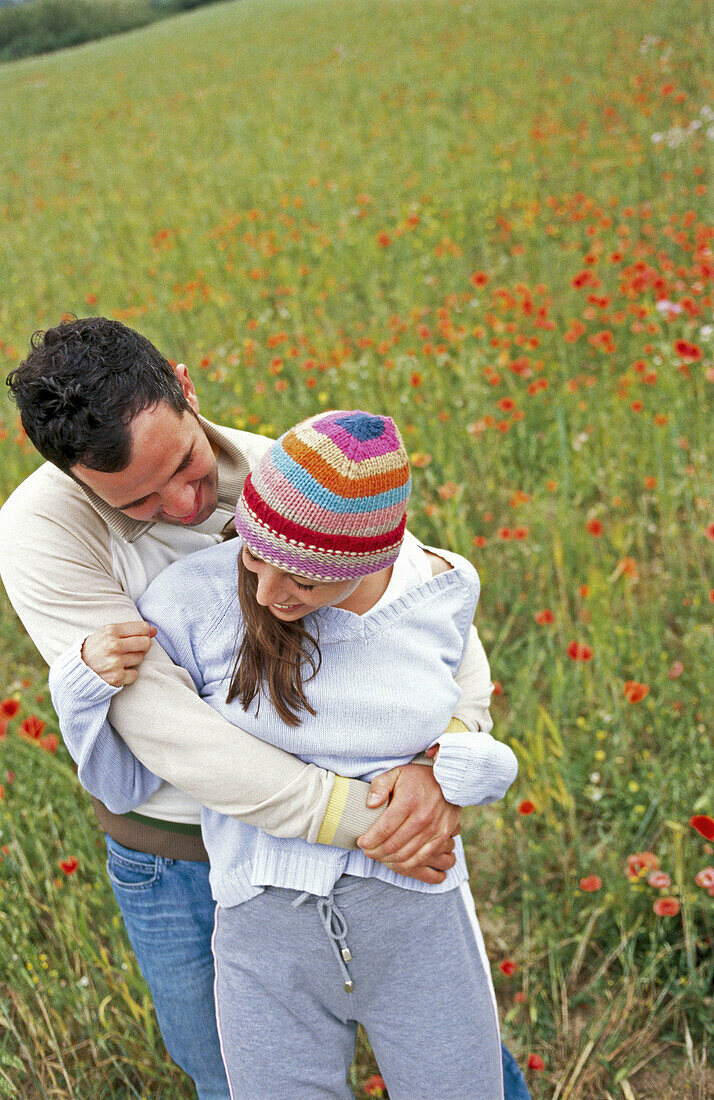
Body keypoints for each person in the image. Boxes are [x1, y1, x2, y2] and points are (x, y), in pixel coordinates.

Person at [0, 318, 531, 1099]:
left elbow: (429, 603)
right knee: (237, 1075)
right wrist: (362, 822)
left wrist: (437, 760)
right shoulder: (42, 530)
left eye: (185, 465)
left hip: (378, 850)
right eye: (138, 502)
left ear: (186, 386)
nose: (183, 504)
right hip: (182, 852)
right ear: (77, 479)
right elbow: (159, 723)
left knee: (459, 1065)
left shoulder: (291, 468)